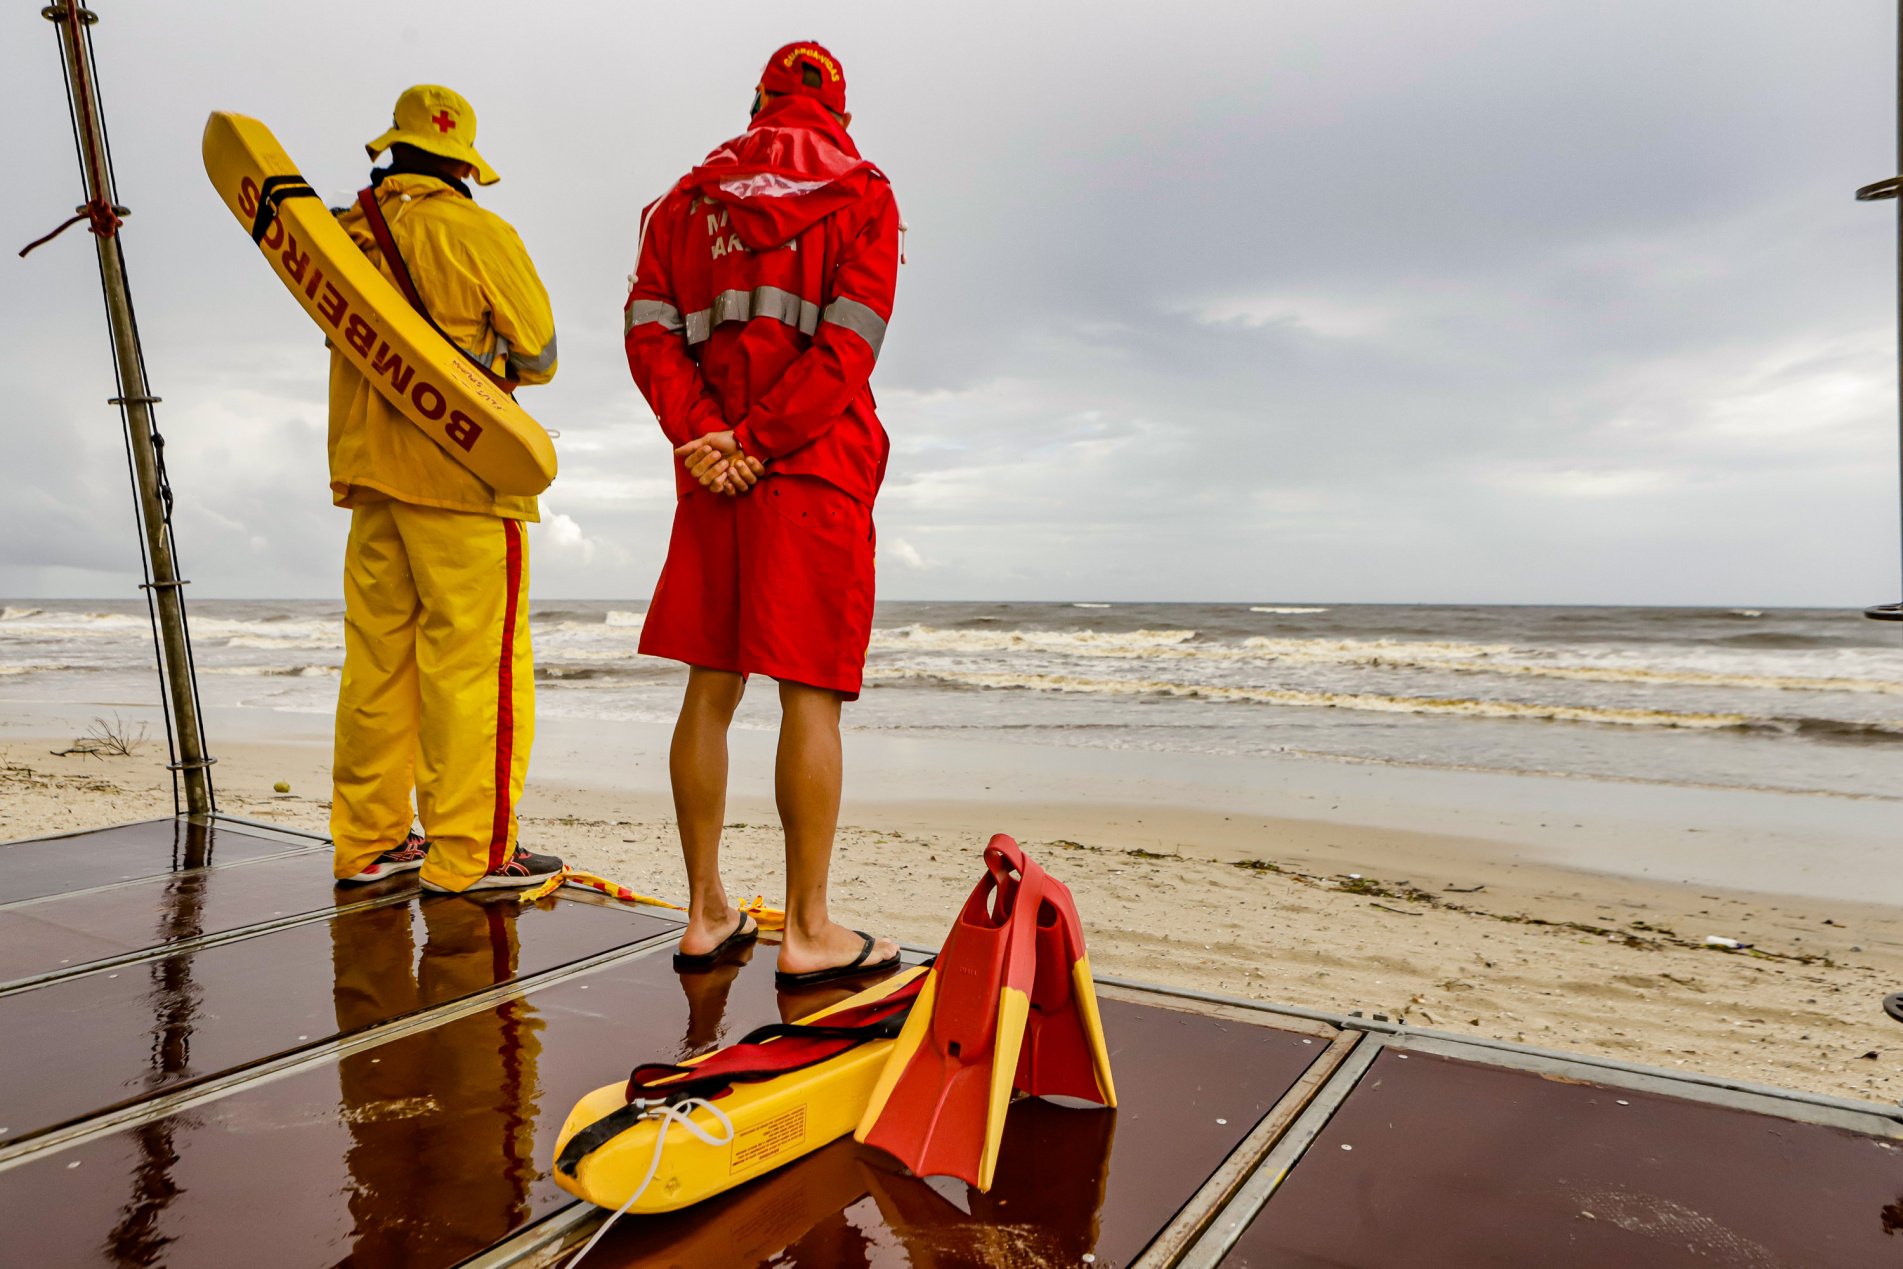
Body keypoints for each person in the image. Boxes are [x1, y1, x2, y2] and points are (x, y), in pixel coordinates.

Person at [624, 42, 902, 985]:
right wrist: (765, 441)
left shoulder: (680, 202)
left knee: (710, 686)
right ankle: (809, 928)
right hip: (810, 469)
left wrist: (710, 437)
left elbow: (648, 332)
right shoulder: (862, 193)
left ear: (755, 105)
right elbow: (848, 348)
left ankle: (705, 912)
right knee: (807, 694)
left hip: (713, 473)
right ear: (840, 112)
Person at [330, 84, 563, 893]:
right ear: (464, 162)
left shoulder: (343, 235)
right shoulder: (478, 231)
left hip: (370, 476)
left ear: (392, 149)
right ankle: (470, 855)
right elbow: (538, 356)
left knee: (376, 667)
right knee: (474, 671)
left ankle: (367, 843)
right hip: (465, 474)